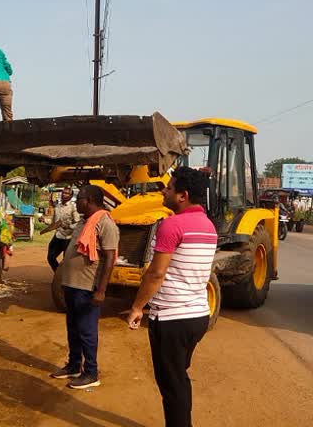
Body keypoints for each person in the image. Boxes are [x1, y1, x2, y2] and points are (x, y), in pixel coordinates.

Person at [127, 167, 217, 427]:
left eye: (169, 187)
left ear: (182, 195)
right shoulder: (208, 226)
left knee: (171, 385)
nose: (164, 190)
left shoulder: (172, 225)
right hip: (198, 317)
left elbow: (156, 273)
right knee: (179, 377)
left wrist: (137, 307)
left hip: (171, 320)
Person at [50, 185, 118, 389]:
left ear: (88, 200)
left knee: (87, 331)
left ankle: (91, 372)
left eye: (79, 198)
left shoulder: (105, 224)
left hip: (87, 287)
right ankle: (73, 365)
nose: (75, 202)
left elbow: (109, 258)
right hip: (72, 285)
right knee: (73, 328)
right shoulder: (84, 221)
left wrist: (101, 290)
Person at [40, 187, 81, 272]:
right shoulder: (57, 207)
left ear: (71, 196)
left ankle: (65, 279)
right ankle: (58, 274)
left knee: (67, 261)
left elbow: (78, 224)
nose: (64, 195)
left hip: (69, 238)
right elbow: (53, 222)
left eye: (66, 193)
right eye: (63, 193)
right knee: (50, 257)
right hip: (58, 236)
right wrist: (44, 220)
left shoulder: (73, 208)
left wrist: (69, 226)